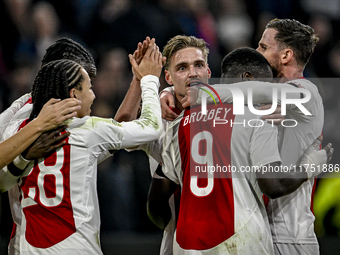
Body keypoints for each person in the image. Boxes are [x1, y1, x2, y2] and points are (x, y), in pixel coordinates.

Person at [159, 47, 332, 254]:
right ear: (248, 78)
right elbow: (273, 185)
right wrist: (310, 166)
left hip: (186, 243)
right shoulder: (258, 116)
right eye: (264, 84)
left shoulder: (177, 124)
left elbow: (157, 200)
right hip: (241, 239)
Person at [3, 41, 163, 254]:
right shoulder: (83, 128)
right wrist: (149, 80)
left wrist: (136, 79)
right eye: (88, 85)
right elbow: (145, 129)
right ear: (72, 90)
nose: (93, 95)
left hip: (28, 247)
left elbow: (112, 136)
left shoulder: (17, 124)